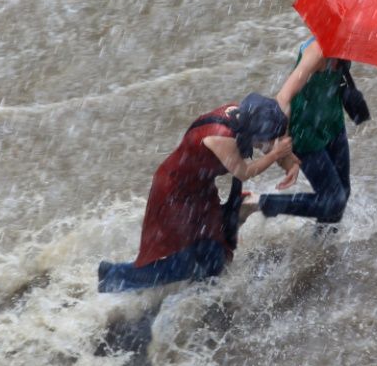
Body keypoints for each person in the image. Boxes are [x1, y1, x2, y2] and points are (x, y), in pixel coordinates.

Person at [98, 93, 292, 293]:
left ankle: (199, 292)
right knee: (196, 259)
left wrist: (288, 161)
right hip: (175, 194)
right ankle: (115, 276)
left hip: (198, 188)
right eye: (264, 140)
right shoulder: (220, 135)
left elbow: (268, 143)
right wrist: (277, 154)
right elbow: (244, 172)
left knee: (213, 251)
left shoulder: (242, 115)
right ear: (253, 131)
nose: (265, 145)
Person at [248, 36, 352, 225]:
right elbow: (283, 97)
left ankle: (323, 250)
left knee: (341, 195)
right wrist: (284, 150)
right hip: (305, 133)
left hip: (333, 125)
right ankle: (257, 202)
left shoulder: (348, 44)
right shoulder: (317, 52)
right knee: (333, 201)